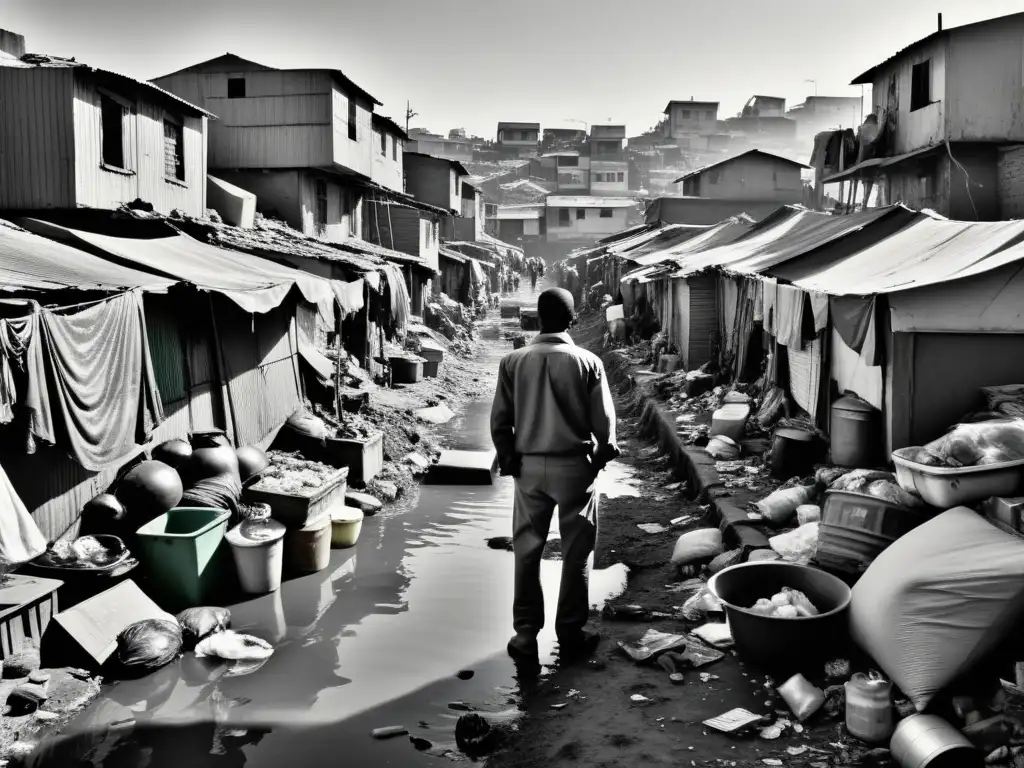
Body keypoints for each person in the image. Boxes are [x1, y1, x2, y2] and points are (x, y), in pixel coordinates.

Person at [490, 287, 620, 665]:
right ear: (572, 319)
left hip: (529, 468)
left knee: (527, 552)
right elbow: (606, 429)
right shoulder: (588, 362)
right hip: (575, 467)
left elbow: (500, 423)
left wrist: (511, 462)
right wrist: (596, 461)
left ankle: (526, 635)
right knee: (576, 554)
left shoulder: (512, 362)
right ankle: (571, 632)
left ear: (537, 319)